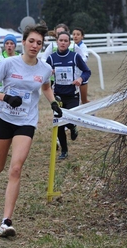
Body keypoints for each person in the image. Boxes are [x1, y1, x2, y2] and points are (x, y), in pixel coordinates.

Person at [0, 24, 63, 237]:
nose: (35, 46)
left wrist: (53, 103)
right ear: (23, 42)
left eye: (39, 43)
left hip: (26, 122)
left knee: (16, 169)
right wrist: (6, 97)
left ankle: (6, 222)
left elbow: (46, 87)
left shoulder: (44, 68)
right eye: (31, 41)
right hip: (4, 118)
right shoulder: (8, 64)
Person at [46, 31, 91, 160]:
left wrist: (80, 80)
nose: (63, 43)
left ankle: (73, 127)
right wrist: (50, 72)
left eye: (66, 41)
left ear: (69, 43)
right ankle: (64, 151)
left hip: (72, 95)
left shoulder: (75, 56)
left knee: (70, 119)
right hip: (57, 95)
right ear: (57, 42)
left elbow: (87, 71)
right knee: (59, 123)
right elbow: (43, 74)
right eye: (61, 40)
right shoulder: (51, 58)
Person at [72, 27, 90, 104]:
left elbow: (84, 59)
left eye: (78, 34)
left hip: (82, 76)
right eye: (74, 34)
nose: (75, 36)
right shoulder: (71, 46)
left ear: (82, 37)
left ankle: (91, 113)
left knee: (84, 100)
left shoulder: (83, 47)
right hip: (73, 76)